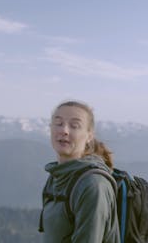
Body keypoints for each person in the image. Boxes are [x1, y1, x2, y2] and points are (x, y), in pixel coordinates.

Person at [40, 100, 120, 243]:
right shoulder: (57, 175)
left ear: (89, 135)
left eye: (74, 126)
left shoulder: (93, 185)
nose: (64, 130)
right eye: (58, 123)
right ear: (50, 128)